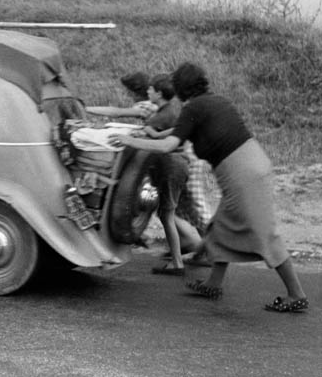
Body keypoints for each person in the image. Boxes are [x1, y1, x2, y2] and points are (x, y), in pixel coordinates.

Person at [109, 62, 308, 312]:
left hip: (244, 175)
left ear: (181, 87)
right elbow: (178, 131)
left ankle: (296, 294)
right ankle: (214, 283)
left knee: (263, 234)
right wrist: (155, 134)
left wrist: (130, 141)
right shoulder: (211, 102)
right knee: (220, 227)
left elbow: (169, 146)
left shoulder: (194, 108)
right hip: (249, 168)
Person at [141, 74, 199, 276]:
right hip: (181, 166)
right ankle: (201, 251)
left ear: (158, 93)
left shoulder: (162, 115)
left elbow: (150, 136)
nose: (147, 92)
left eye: (150, 89)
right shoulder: (175, 108)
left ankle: (177, 263)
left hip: (171, 167)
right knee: (173, 212)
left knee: (166, 215)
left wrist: (146, 130)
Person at [86, 71, 157, 120]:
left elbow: (118, 112)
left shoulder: (146, 106)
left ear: (131, 92)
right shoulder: (157, 100)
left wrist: (86, 109)